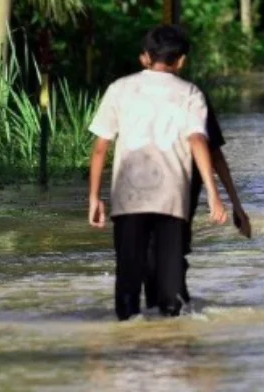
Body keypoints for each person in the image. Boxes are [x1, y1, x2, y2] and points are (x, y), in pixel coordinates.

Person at [87, 25, 227, 320]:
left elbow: (101, 146)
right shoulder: (189, 93)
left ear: (146, 58)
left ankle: (127, 341)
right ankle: (171, 342)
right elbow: (198, 142)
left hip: (128, 199)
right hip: (171, 198)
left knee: (127, 277)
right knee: (170, 286)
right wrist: (214, 196)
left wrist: (94, 197)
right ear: (181, 61)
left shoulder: (119, 89)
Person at [143, 89, 251, 308]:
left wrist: (234, 204)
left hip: (176, 187)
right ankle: (172, 316)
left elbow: (213, 151)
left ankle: (173, 316)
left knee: (162, 251)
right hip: (153, 186)